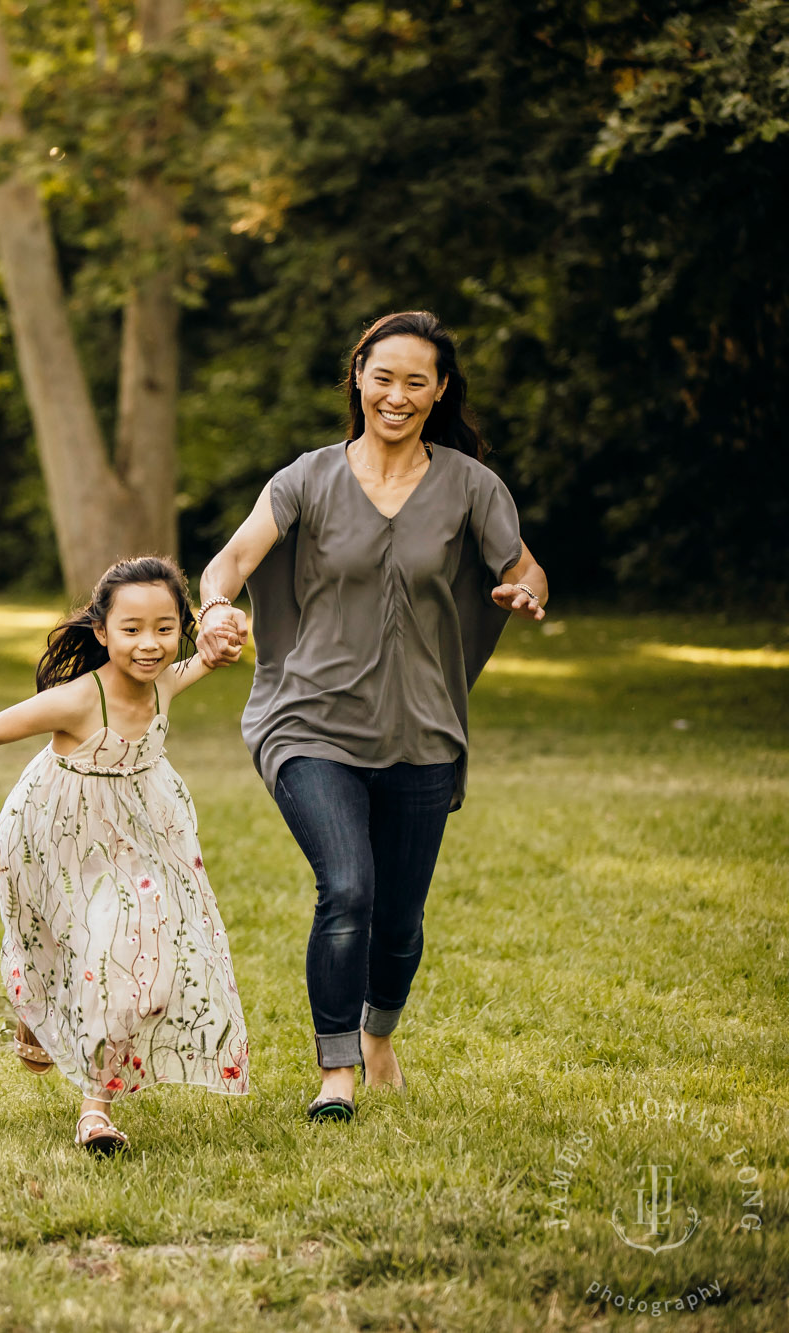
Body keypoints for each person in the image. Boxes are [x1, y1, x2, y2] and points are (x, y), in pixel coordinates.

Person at [193, 309, 549, 1122]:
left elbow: (525, 566)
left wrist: (524, 592)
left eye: (415, 380)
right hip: (309, 720)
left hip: (422, 728)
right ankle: (337, 1072)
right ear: (358, 377)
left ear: (439, 389)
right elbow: (234, 559)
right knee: (346, 886)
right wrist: (214, 607)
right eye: (382, 376)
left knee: (399, 916)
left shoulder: (471, 486)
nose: (396, 394)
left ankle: (379, 1031)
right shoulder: (307, 479)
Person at [0, 557, 250, 1154]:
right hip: (54, 840)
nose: (149, 644)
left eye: (165, 628)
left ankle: (96, 1110)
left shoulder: (166, 681)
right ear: (102, 632)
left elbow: (202, 660)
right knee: (64, 947)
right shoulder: (77, 701)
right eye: (132, 629)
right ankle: (35, 1011)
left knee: (137, 961)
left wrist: (220, 642)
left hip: (140, 838)